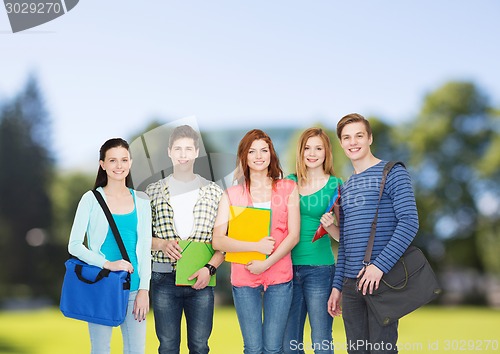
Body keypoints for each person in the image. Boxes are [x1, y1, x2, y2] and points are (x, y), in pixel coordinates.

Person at [327, 113, 419, 354]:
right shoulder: (345, 187)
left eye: (358, 135)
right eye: (346, 137)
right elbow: (345, 242)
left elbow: (409, 222)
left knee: (382, 350)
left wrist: (379, 267)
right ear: (341, 143)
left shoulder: (393, 172)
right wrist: (337, 286)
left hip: (383, 280)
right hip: (350, 285)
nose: (352, 142)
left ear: (369, 138)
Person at [212, 129, 300, 354]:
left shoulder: (288, 188)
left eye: (264, 150)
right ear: (244, 156)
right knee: (252, 348)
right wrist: (255, 247)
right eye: (252, 151)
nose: (259, 156)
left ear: (271, 154)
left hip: (279, 274)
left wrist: (266, 262)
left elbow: (293, 235)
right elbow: (218, 241)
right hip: (243, 277)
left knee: (273, 347)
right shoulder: (231, 195)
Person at [68, 138, 152, 354]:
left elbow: (144, 248)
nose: (119, 165)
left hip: (134, 289)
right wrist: (108, 264)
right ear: (102, 164)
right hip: (102, 285)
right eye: (113, 160)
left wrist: (144, 289)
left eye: (124, 160)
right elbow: (74, 245)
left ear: (130, 162)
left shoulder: (142, 201)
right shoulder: (91, 199)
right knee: (100, 349)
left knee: (136, 350)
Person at [145, 125, 224, 354]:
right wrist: (161, 244)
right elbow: (140, 238)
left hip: (201, 279)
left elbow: (223, 242)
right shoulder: (153, 191)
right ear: (169, 151)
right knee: (168, 347)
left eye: (188, 149)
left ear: (196, 152)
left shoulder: (214, 192)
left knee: (200, 347)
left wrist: (209, 269)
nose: (183, 154)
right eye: (178, 149)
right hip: (163, 279)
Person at [283, 128, 342, 354]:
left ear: (326, 152)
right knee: (290, 343)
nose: (312, 153)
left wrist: (330, 226)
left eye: (318, 148)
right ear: (300, 152)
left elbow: (341, 237)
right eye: (307, 148)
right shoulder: (289, 182)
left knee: (321, 339)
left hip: (320, 270)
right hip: (288, 268)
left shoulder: (335, 185)